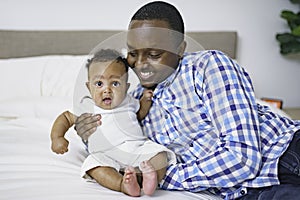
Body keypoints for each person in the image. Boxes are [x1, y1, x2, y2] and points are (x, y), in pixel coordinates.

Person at [74, 1, 300, 200]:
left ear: (180, 49)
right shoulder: (130, 102)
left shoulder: (208, 66)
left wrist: (157, 175)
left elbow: (242, 159)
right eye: (133, 53)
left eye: (154, 55)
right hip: (245, 192)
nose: (140, 64)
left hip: (286, 153)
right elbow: (119, 145)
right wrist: (91, 135)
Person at [50, 48, 176, 197]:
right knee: (93, 165)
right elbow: (65, 117)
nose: (107, 90)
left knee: (160, 155)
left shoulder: (129, 101)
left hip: (136, 147)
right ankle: (122, 184)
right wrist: (57, 138)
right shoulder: (87, 106)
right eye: (99, 83)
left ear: (126, 87)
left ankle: (148, 178)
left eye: (115, 83)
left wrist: (145, 101)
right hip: (105, 154)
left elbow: (140, 114)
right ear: (88, 87)